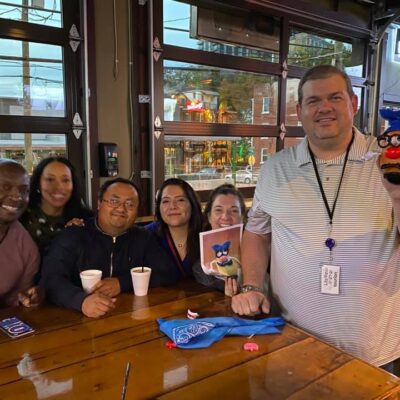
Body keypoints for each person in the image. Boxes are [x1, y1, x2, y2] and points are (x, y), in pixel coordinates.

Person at [231, 64, 400, 369]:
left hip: (373, 351)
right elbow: (256, 232)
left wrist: (398, 195)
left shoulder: (388, 162)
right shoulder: (275, 169)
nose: (324, 108)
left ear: (353, 103)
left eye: (335, 98)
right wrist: (252, 286)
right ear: (299, 110)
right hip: (291, 342)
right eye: (313, 101)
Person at [40, 177, 178, 318]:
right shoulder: (73, 235)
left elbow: (167, 272)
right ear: (99, 203)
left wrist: (122, 283)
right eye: (114, 201)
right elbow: (50, 279)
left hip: (130, 318)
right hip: (75, 320)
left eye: (130, 204)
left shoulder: (143, 238)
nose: (121, 208)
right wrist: (81, 301)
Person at [20, 156, 92, 258]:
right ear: (38, 184)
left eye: (65, 180)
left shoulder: (85, 220)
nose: (58, 187)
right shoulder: (21, 218)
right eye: (50, 179)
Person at [193, 184, 246, 296]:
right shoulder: (200, 268)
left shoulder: (258, 257)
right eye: (218, 210)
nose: (225, 217)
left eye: (234, 211)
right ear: (209, 217)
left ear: (242, 218)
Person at [0, 159, 40, 308]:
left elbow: (13, 301)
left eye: (23, 190)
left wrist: (27, 298)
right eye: (5, 187)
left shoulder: (27, 248)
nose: (17, 196)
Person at [145, 178, 203, 279]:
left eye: (180, 200)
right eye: (166, 201)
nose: (172, 206)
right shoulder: (147, 235)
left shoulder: (207, 234)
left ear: (192, 204)